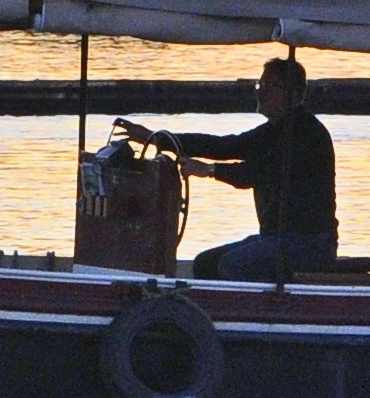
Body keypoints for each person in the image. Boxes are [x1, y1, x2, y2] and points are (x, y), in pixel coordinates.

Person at [138, 58, 339, 282]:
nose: (260, 93)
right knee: (206, 263)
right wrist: (159, 139)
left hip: (310, 242)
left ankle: (259, 313)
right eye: (260, 85)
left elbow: (255, 173)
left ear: (294, 95)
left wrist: (208, 170)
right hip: (275, 236)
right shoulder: (273, 130)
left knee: (233, 265)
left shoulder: (307, 134)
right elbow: (227, 146)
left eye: (269, 87)